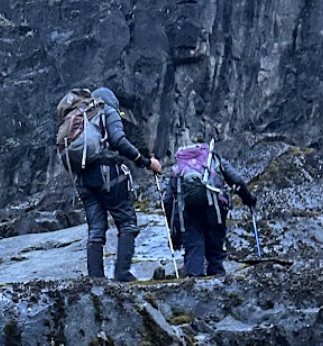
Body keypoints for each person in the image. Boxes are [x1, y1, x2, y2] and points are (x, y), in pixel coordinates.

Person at [72, 87, 162, 281]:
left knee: (96, 228)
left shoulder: (81, 117)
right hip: (107, 173)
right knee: (127, 222)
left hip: (83, 178)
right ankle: (122, 274)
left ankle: (96, 278)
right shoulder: (108, 111)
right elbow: (119, 140)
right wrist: (146, 162)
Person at [163, 141, 256, 277]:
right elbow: (237, 181)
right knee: (215, 248)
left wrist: (174, 227)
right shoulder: (213, 159)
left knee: (193, 246)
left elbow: (168, 200)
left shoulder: (179, 167)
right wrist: (249, 200)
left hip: (188, 211)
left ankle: (194, 283)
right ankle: (217, 280)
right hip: (214, 209)